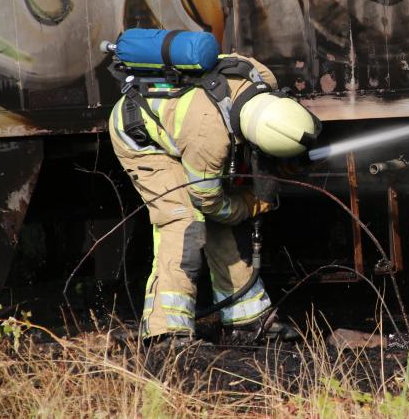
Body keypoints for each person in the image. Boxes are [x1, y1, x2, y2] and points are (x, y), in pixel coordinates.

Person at [108, 54, 309, 344]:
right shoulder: (209, 139)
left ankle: (249, 322)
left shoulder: (264, 80)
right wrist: (250, 204)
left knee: (224, 227)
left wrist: (286, 162)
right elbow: (209, 203)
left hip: (184, 130)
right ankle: (167, 332)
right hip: (142, 138)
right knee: (185, 223)